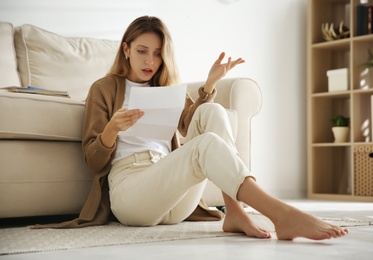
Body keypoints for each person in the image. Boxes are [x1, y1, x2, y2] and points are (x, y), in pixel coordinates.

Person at [37, 15, 348, 240]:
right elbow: (93, 159)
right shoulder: (104, 88)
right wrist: (111, 130)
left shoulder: (166, 87)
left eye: (158, 53)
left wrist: (210, 85)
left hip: (174, 197)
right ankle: (282, 214)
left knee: (213, 110)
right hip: (132, 195)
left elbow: (190, 124)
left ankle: (235, 212)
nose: (150, 60)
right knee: (204, 145)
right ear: (126, 50)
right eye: (143, 50)